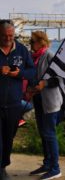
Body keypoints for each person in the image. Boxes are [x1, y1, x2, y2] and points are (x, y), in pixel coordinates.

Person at [0, 19, 35, 180]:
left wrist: (19, 74)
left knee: (8, 137)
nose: (8, 39)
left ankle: (3, 165)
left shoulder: (21, 49)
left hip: (14, 103)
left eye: (11, 35)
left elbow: (31, 71)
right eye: (4, 35)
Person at [28, 31, 63, 180]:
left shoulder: (49, 55)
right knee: (43, 133)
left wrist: (45, 83)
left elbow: (60, 78)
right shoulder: (34, 57)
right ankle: (47, 163)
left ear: (41, 42)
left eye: (32, 41)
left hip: (50, 101)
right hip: (38, 100)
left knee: (49, 133)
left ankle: (55, 168)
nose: (30, 44)